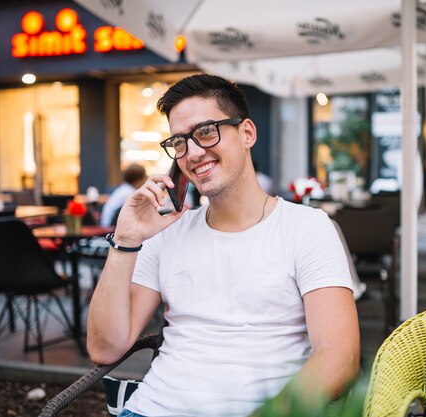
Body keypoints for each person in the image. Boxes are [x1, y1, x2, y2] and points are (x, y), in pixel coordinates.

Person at [87, 74, 360, 417]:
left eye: (205, 131)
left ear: (247, 133)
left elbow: (339, 357)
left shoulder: (307, 227)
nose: (194, 152)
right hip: (152, 408)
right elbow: (104, 348)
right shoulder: (166, 233)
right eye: (180, 142)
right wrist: (126, 240)